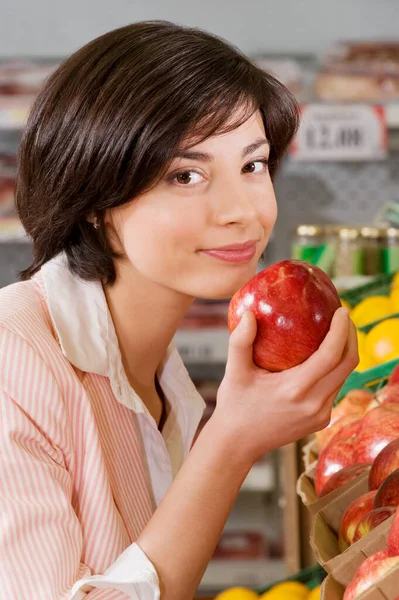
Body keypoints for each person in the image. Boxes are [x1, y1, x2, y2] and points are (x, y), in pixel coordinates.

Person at [0, 20, 358, 600]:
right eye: (185, 175)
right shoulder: (12, 362)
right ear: (93, 198)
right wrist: (232, 442)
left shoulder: (159, 369)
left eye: (253, 165)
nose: (241, 210)